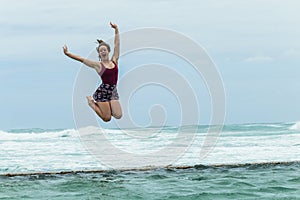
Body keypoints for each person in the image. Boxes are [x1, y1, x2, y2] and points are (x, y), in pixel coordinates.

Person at [63, 22, 122, 122]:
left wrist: (116, 29)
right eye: (101, 51)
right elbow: (82, 59)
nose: (103, 52)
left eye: (105, 50)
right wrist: (68, 54)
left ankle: (107, 106)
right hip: (103, 92)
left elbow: (117, 45)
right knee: (107, 118)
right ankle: (91, 103)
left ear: (108, 51)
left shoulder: (115, 60)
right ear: (99, 53)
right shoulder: (98, 65)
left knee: (118, 115)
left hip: (113, 91)